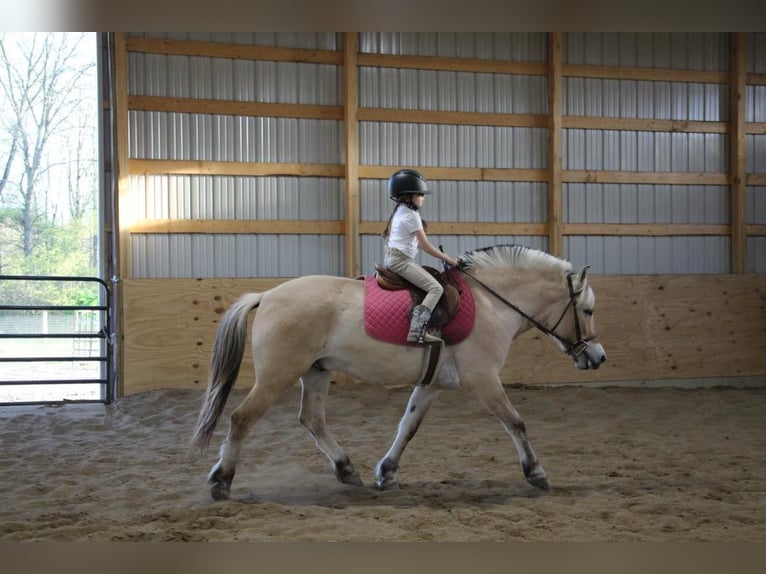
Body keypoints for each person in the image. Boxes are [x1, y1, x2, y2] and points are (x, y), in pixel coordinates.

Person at [382, 169, 460, 343]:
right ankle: (416, 330)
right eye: (420, 194)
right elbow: (425, 246)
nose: (423, 198)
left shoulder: (400, 210)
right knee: (436, 289)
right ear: (409, 196)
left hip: (395, 258)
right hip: (400, 261)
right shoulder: (411, 215)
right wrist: (447, 258)